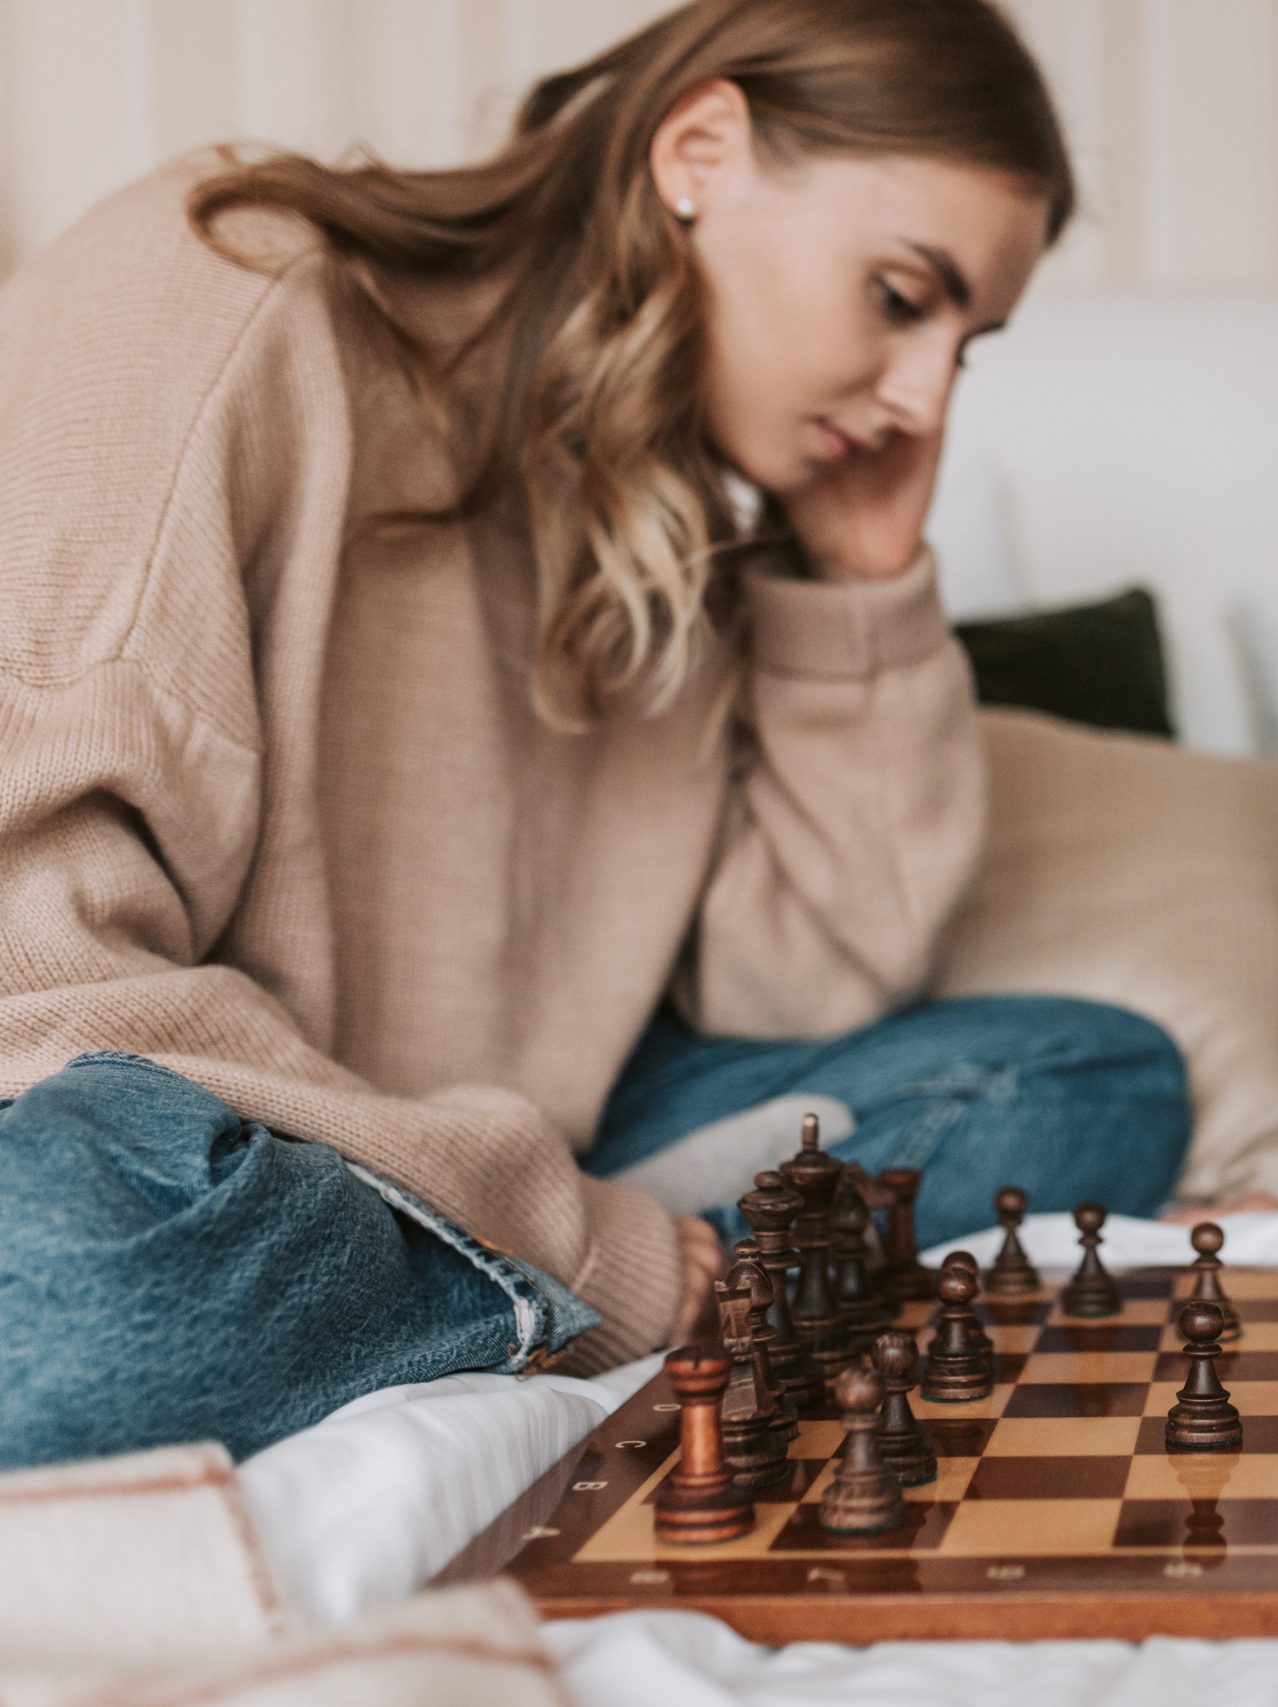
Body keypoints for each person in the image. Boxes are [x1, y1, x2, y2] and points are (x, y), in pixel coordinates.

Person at [0, 0, 1192, 1473]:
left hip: (475, 1146)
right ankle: (556, 1274)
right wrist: (595, 1247)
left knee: (1086, 1079)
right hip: (141, 1127)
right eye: (902, 298)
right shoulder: (223, 280)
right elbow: (31, 965)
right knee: (72, 1297)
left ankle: (487, 1280)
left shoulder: (679, 531)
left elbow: (799, 987)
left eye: (970, 346)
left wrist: (865, 579)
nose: (923, 399)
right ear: (701, 148)